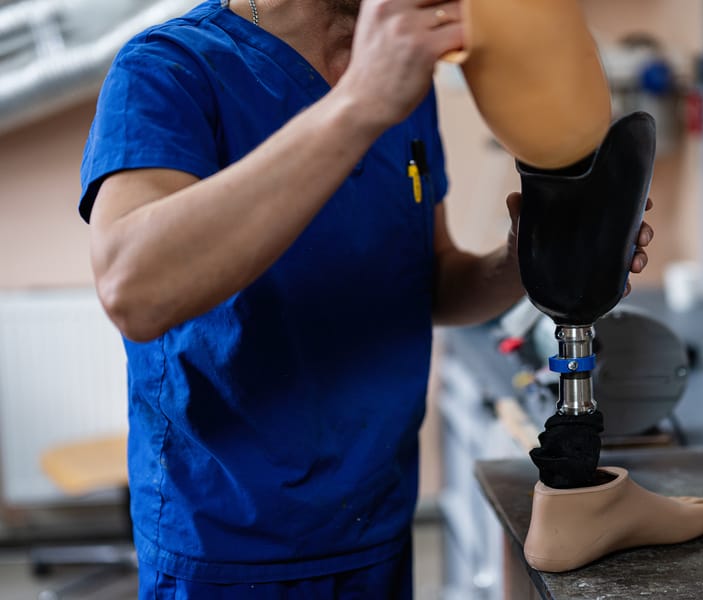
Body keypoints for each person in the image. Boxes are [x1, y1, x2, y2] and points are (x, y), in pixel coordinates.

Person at [79, 0, 655, 597]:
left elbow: (431, 284)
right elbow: (133, 289)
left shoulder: (407, 79)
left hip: (374, 533)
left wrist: (525, 256)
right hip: (230, 550)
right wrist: (360, 104)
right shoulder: (169, 70)